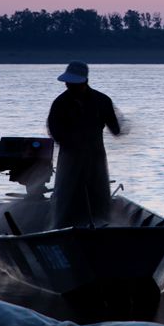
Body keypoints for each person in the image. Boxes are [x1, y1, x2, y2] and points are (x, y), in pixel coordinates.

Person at [47, 61, 121, 229]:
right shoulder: (60, 103)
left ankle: (103, 227)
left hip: (96, 157)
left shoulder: (102, 101)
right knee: (65, 195)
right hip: (69, 157)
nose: (69, 86)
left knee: (99, 194)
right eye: (67, 83)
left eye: (73, 83)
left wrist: (122, 128)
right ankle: (61, 229)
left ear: (84, 82)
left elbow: (115, 129)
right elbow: (54, 129)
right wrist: (71, 144)